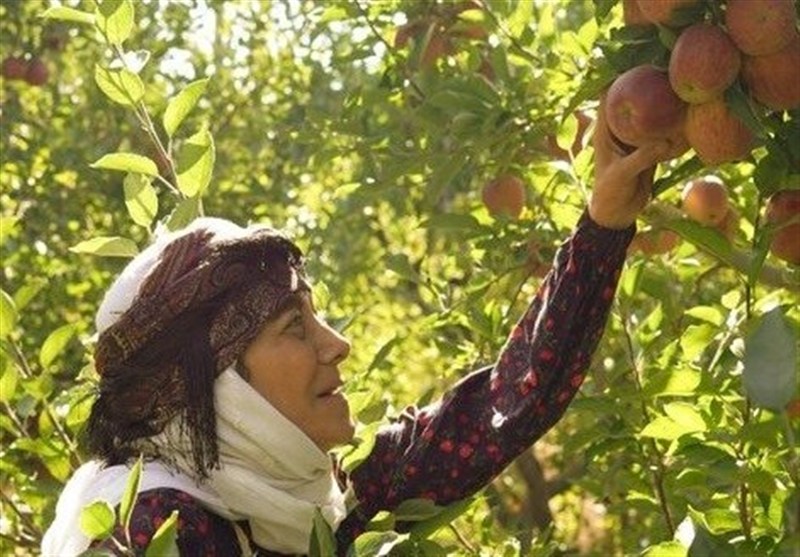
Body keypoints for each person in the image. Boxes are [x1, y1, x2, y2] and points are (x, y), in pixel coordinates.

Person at [41, 106, 670, 556]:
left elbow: (509, 403)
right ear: (217, 388)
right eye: (295, 327)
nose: (336, 343)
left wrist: (605, 222)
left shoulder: (319, 498)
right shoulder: (155, 531)